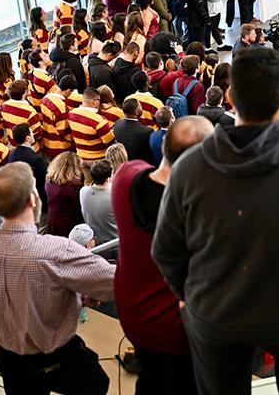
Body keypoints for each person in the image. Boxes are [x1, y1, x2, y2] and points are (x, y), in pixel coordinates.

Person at [153, 48, 279, 395]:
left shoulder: (189, 168)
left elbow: (165, 251)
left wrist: (188, 293)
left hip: (214, 313)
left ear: (229, 96)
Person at [0, 162, 115, 395]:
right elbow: (115, 282)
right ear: (31, 201)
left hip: (8, 356)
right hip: (54, 357)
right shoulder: (57, 251)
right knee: (97, 383)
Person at [114, 117, 212, 395]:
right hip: (179, 330)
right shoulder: (199, 215)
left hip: (133, 316)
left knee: (150, 377)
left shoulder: (125, 177)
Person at [68, 88, 116, 183]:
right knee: (103, 183)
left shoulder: (71, 114)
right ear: (95, 102)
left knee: (88, 182)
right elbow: (110, 142)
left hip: (81, 157)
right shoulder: (99, 120)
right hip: (98, 159)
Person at [44, 151, 85, 237]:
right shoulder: (73, 186)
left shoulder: (50, 180)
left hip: (52, 219)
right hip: (69, 224)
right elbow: (80, 207)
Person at [79, 159, 116, 245]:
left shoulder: (83, 192)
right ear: (107, 179)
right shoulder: (114, 195)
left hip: (95, 243)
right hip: (115, 242)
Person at [1, 80, 43, 149]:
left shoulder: (4, 105)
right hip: (30, 149)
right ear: (24, 93)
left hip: (13, 146)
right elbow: (37, 133)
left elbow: (4, 124)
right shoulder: (30, 111)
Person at [114, 99, 154, 163]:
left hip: (123, 164)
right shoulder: (147, 132)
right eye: (140, 106)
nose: (142, 108)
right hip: (140, 166)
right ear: (136, 112)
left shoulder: (117, 124)